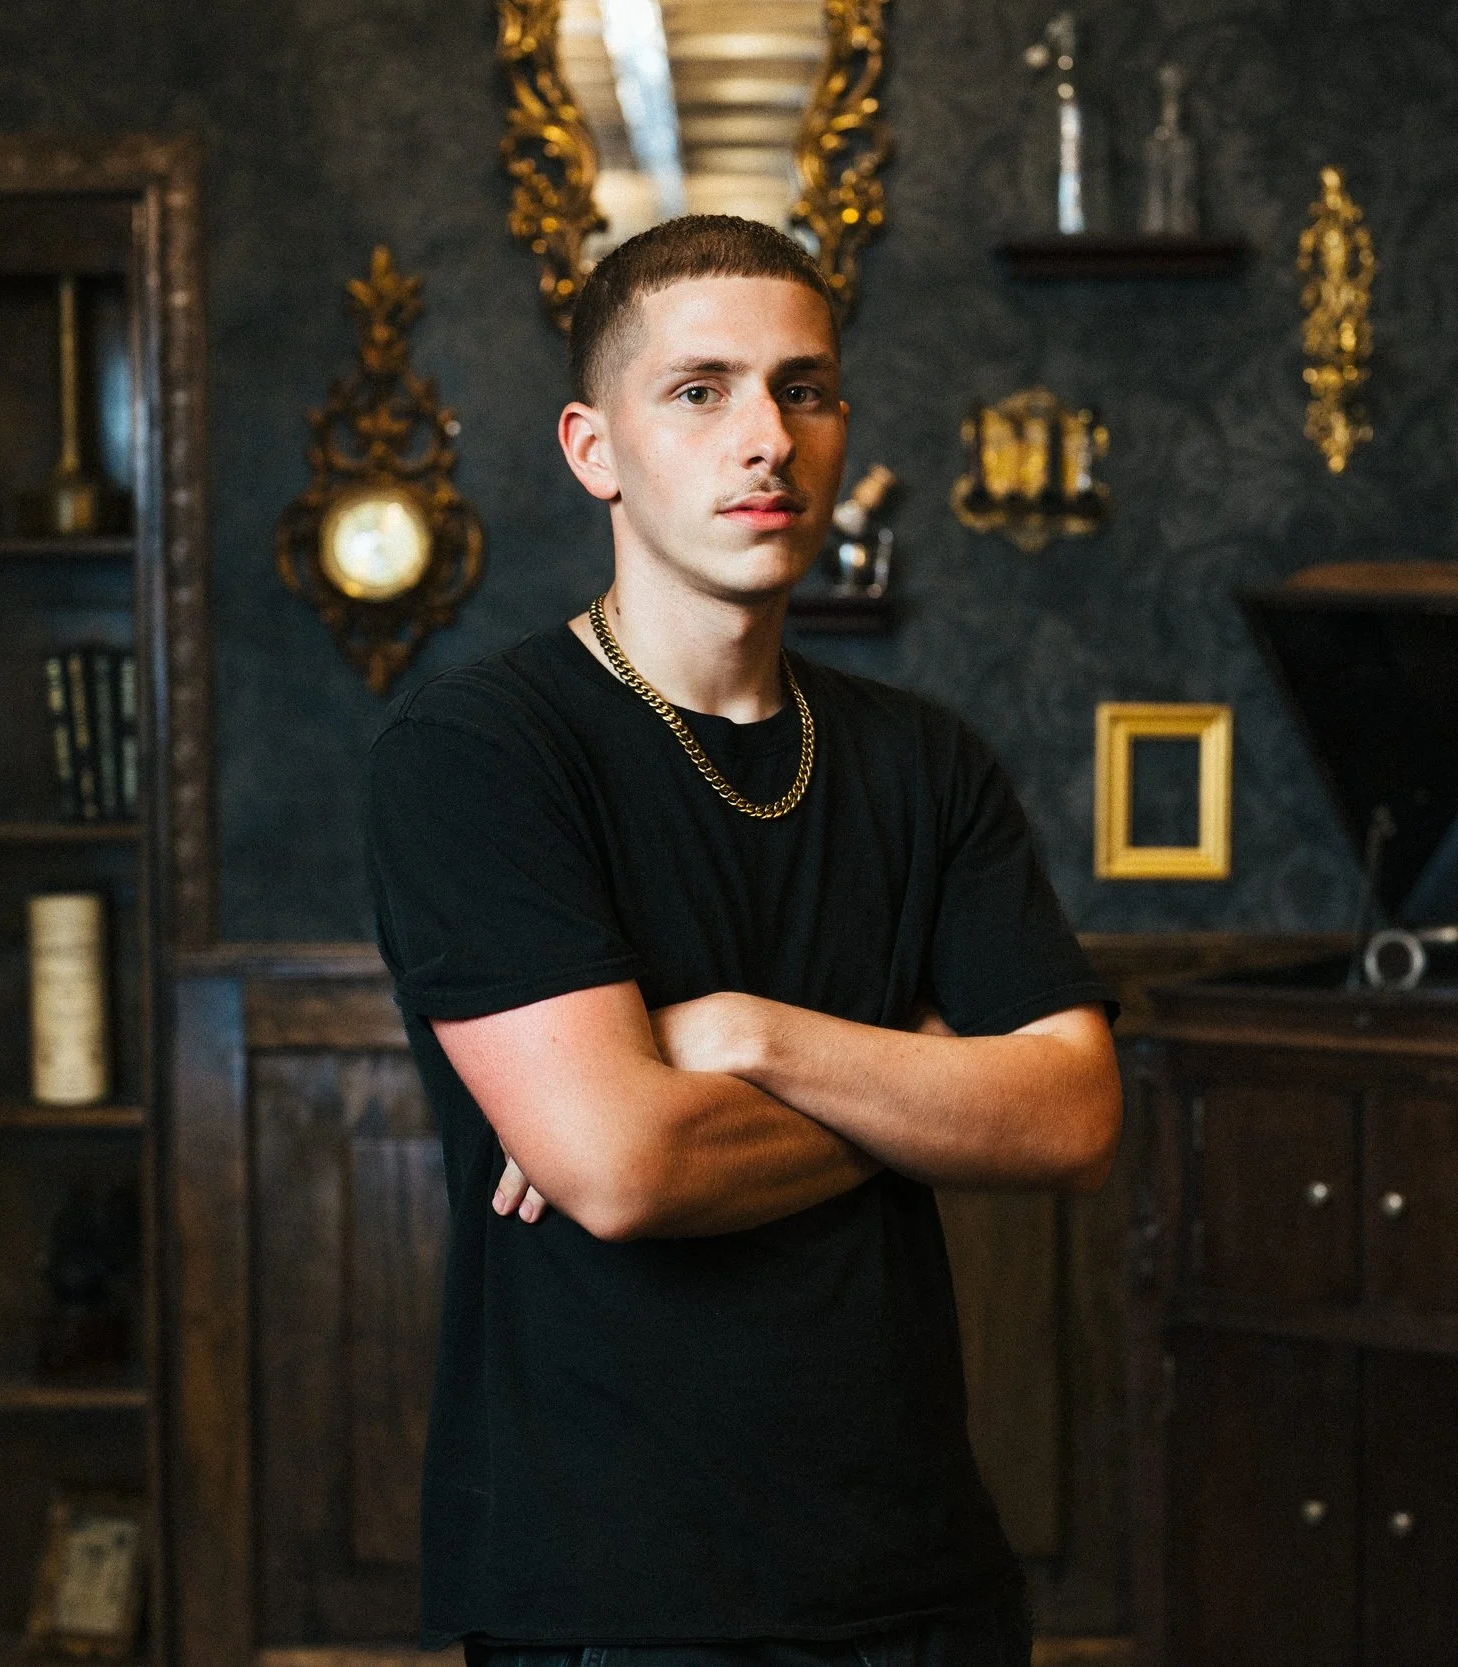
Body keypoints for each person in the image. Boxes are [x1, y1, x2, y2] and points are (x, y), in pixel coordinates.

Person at [365, 214, 1122, 1667]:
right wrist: (927, 1083)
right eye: (701, 390)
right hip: (616, 1591)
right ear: (594, 448)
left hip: (924, 1575)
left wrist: (740, 1035)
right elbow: (625, 1167)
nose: (766, 438)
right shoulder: (478, 755)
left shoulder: (927, 762)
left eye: (805, 389)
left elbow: (1076, 1118)